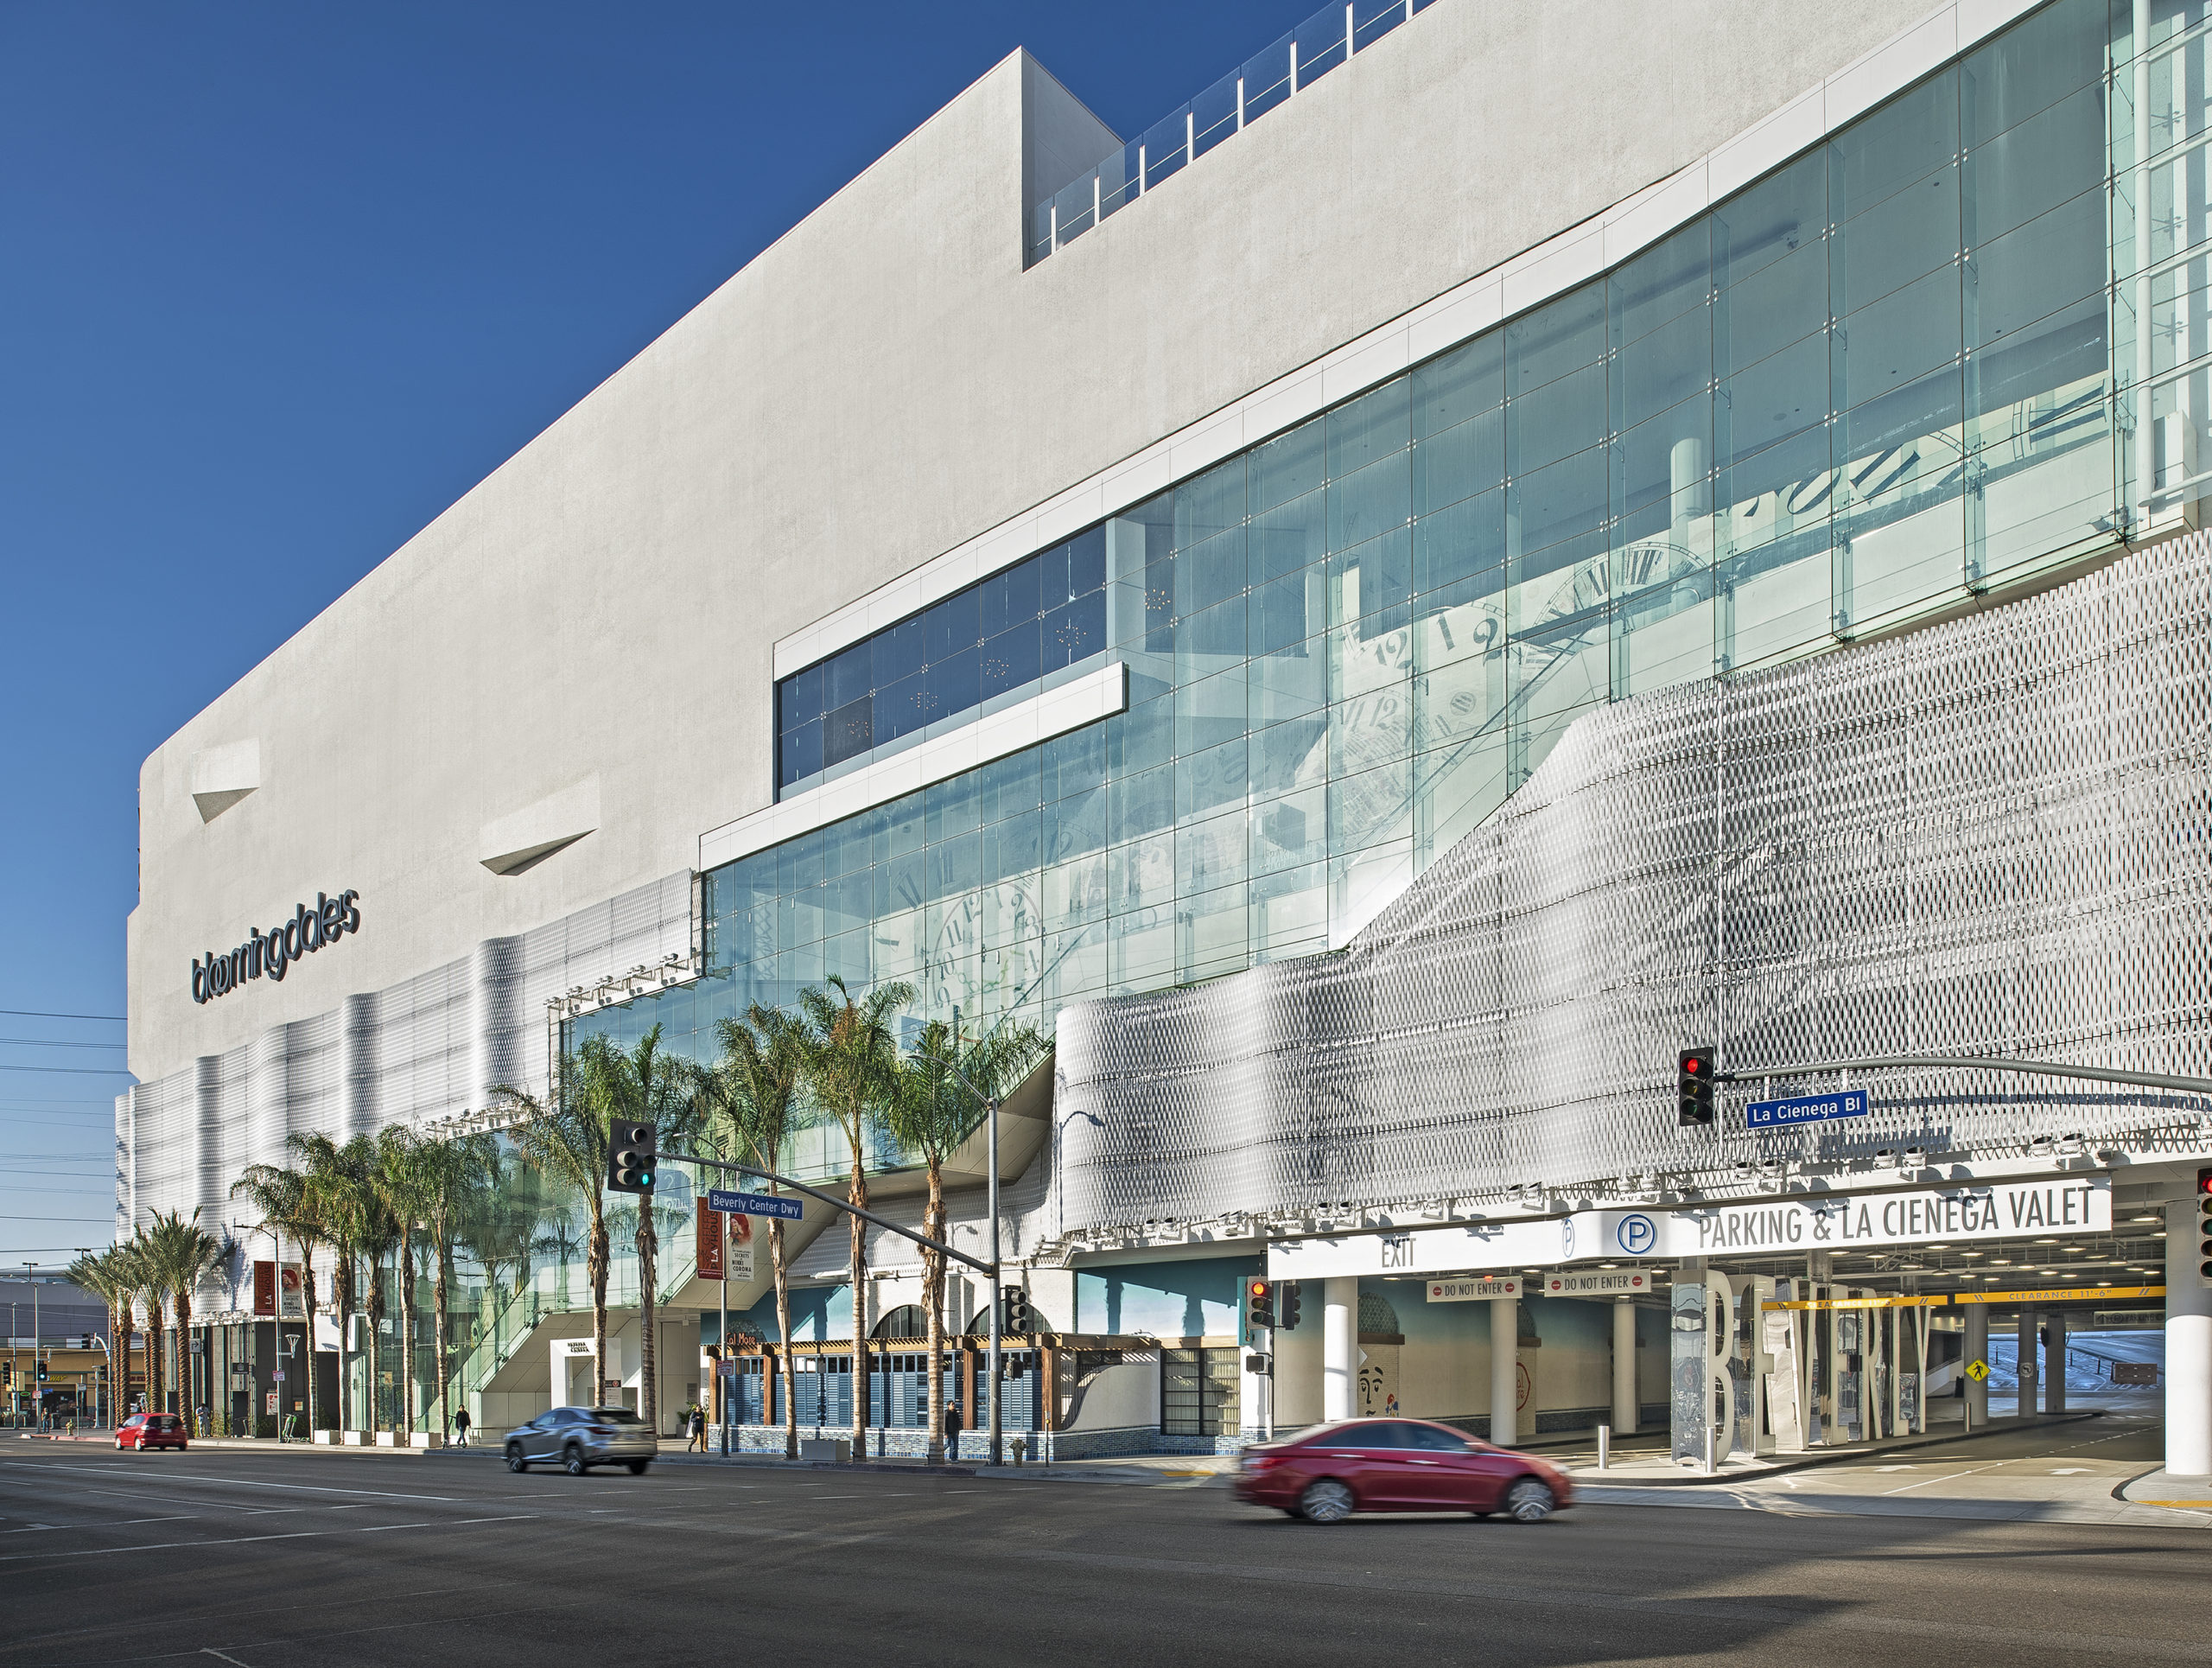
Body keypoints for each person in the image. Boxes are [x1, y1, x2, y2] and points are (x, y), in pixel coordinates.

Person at [944, 1398, 963, 1463]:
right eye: (952, 1404)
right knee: (947, 1444)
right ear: (948, 1406)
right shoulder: (946, 1413)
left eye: (954, 1404)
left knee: (955, 1445)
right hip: (949, 1432)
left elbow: (958, 1422)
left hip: (955, 1431)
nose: (954, 1405)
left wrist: (958, 1430)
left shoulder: (955, 1412)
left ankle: (954, 1458)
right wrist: (945, 1433)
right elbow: (945, 1423)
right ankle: (938, 1452)